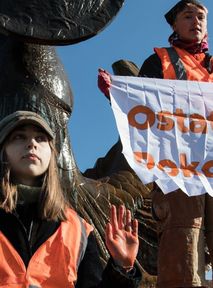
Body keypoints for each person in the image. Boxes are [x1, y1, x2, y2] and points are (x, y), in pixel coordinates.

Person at [98, 0, 213, 287]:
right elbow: (141, 105)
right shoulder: (158, 61)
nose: (196, 21)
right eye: (188, 15)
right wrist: (116, 94)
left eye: (201, 16)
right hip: (177, 174)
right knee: (182, 246)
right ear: (174, 24)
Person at [0, 110, 142, 288]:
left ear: (52, 154)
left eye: (41, 138)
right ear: (3, 150)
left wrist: (122, 269)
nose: (32, 144)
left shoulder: (79, 230)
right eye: (19, 137)